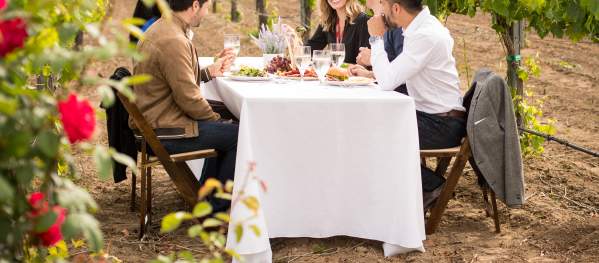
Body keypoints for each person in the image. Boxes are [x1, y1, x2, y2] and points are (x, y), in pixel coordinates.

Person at [131, 0, 237, 213]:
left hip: (157, 121)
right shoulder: (174, 40)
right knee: (238, 134)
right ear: (195, 5)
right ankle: (214, 210)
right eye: (207, 7)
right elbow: (189, 99)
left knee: (227, 126)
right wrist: (218, 121)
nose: (207, 13)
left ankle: (205, 197)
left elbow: (175, 78)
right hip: (164, 132)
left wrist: (208, 71)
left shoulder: (163, 28)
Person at [367, 0, 466, 209]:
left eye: (383, 5)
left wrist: (376, 38)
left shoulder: (425, 36)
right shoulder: (420, 28)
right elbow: (394, 75)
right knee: (370, 126)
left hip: (441, 125)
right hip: (433, 116)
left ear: (396, 8)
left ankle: (432, 186)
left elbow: (387, 81)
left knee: (373, 137)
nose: (381, 11)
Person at [349, 0, 408, 94]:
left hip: (400, 99)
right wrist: (369, 74)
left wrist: (372, 59)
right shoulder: (377, 23)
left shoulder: (397, 25)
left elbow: (404, 75)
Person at [307, 0, 370, 64]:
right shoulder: (328, 21)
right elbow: (311, 48)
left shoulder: (364, 21)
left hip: (355, 73)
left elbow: (365, 61)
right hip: (335, 72)